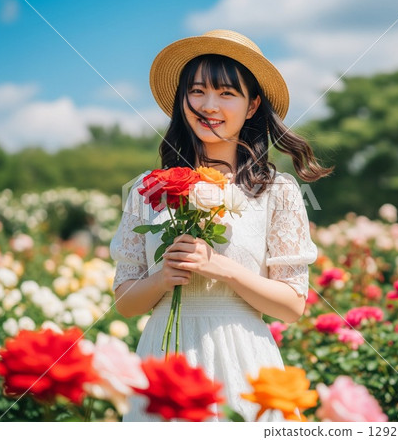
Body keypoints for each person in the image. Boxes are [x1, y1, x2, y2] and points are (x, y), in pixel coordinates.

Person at [110, 29, 332, 422]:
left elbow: (293, 305)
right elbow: (126, 303)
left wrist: (223, 268)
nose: (208, 105)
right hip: (164, 360)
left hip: (243, 359)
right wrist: (163, 278)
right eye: (197, 91)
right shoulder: (148, 188)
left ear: (252, 106)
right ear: (183, 100)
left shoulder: (277, 190)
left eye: (227, 93)